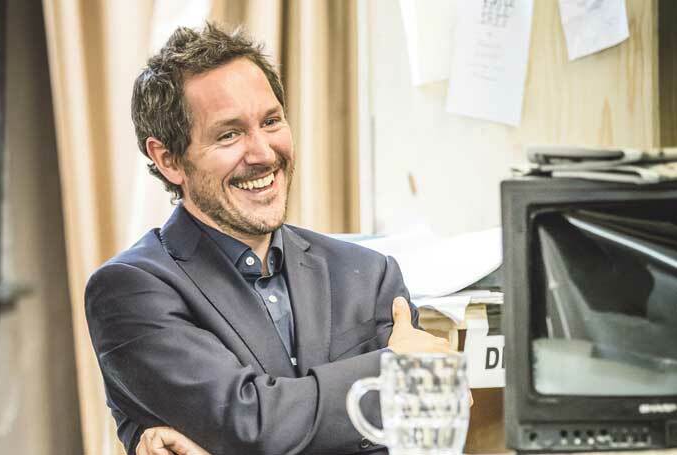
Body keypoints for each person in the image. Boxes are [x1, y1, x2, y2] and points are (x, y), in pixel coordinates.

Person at [85, 23, 454, 455]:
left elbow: (433, 430)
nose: (263, 153)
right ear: (169, 160)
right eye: (229, 134)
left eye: (271, 121)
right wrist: (400, 375)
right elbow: (252, 425)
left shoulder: (369, 275)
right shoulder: (130, 290)